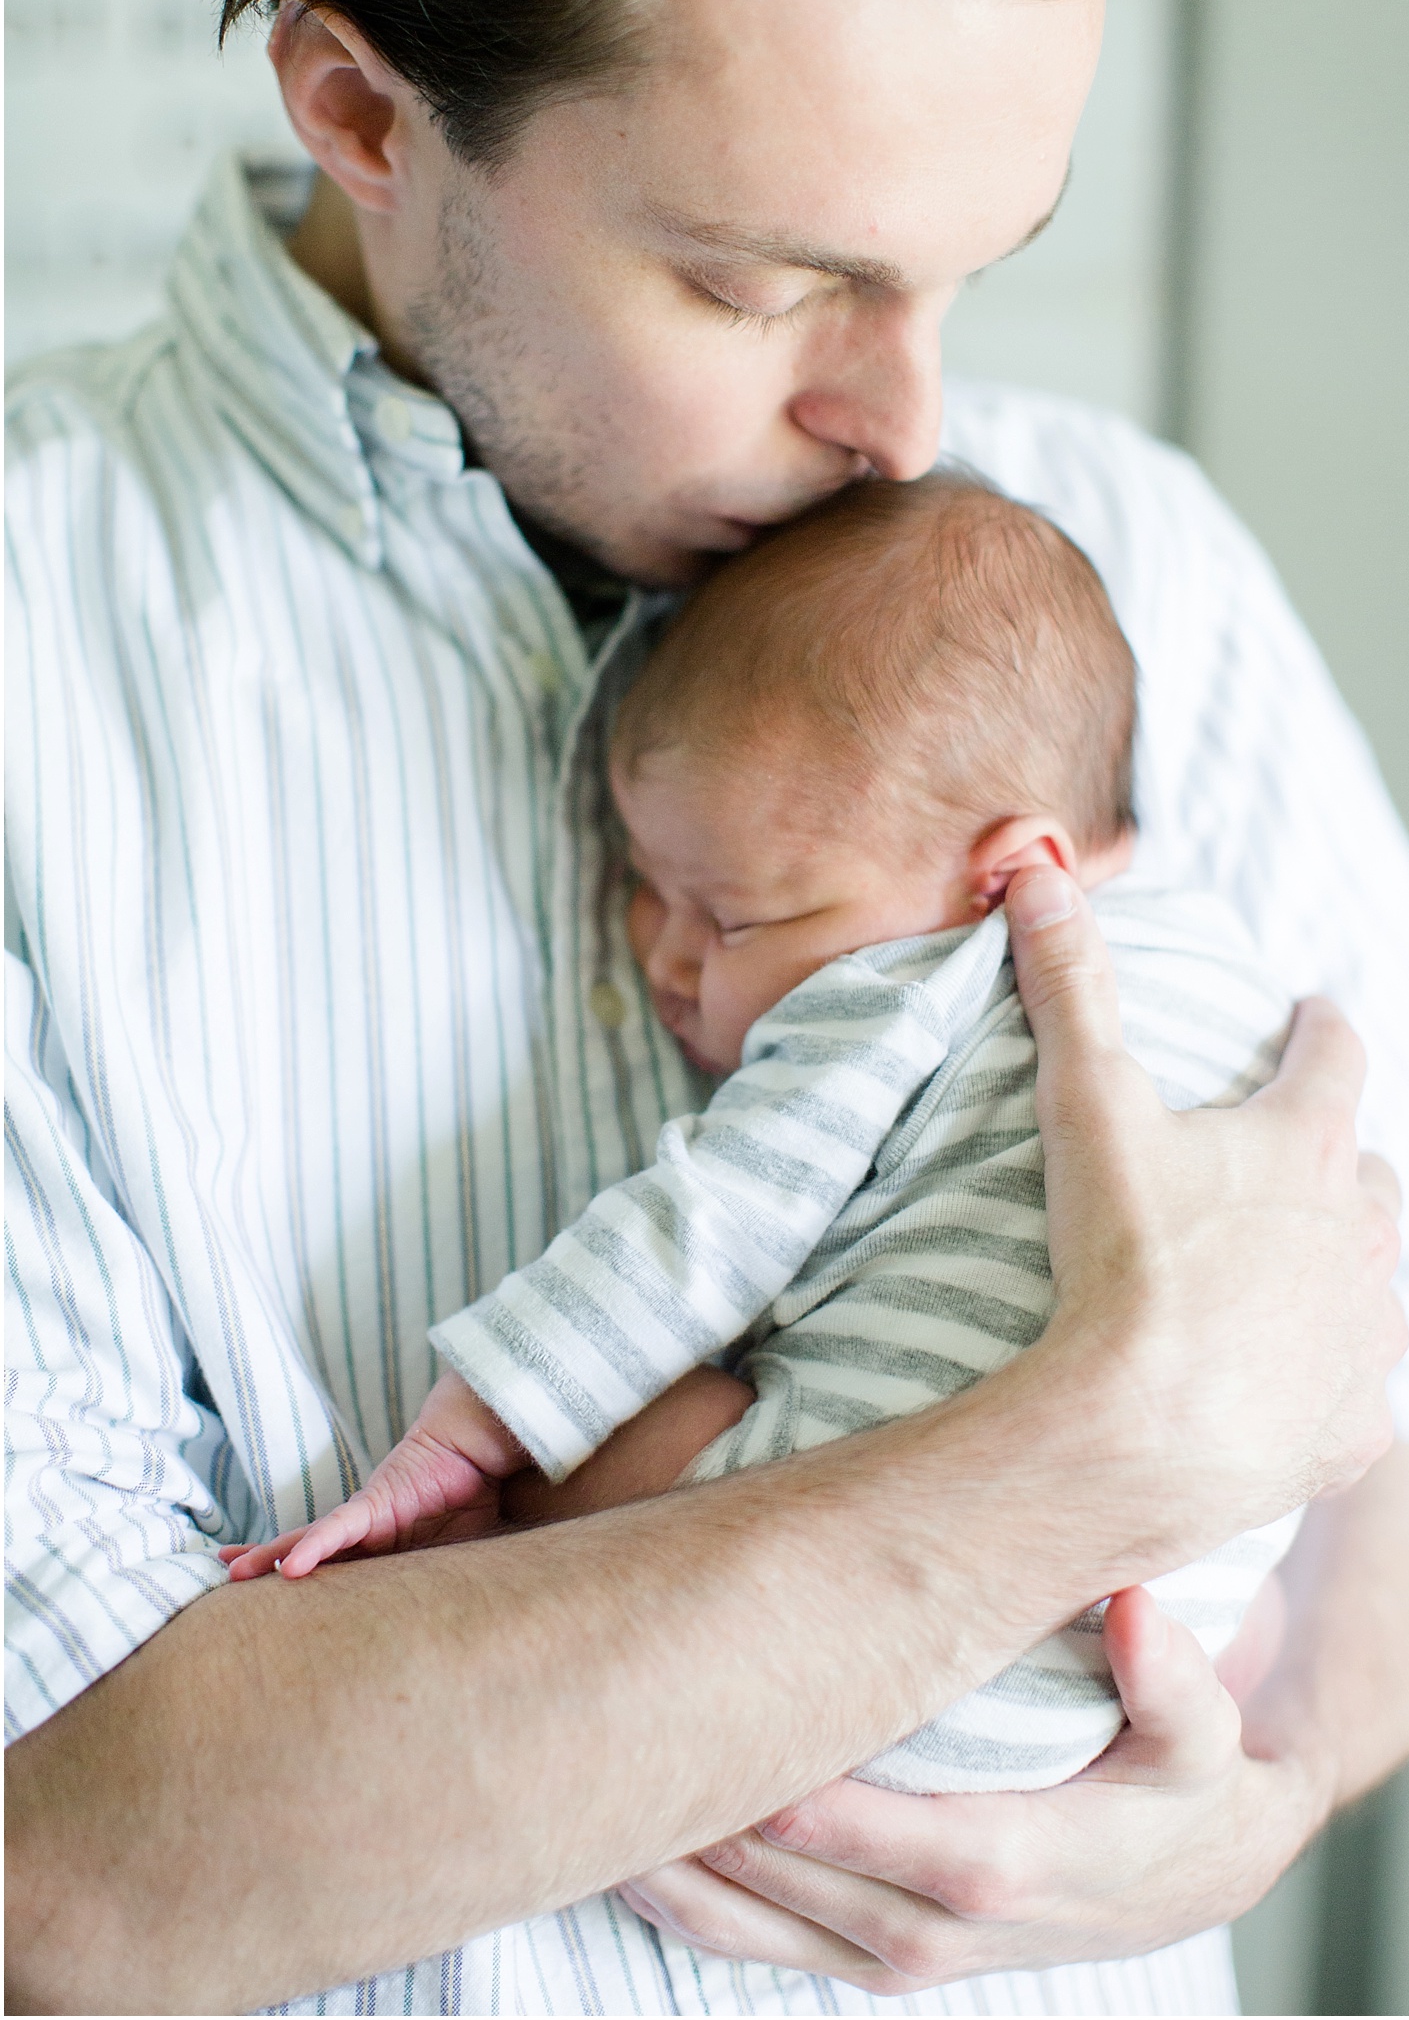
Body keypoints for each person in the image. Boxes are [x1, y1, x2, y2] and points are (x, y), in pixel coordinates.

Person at [3, 0, 1409, 2016]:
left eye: (971, 267)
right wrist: (1074, 1464)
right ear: (359, 105)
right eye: (761, 279)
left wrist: (1264, 1789)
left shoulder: (1137, 559)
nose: (912, 420)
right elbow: (62, 1859)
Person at [225, 472, 1304, 1806]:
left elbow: (712, 1218)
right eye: (644, 886)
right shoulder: (1238, 963)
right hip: (1139, 1666)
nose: (664, 952)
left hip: (861, 1657)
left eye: (728, 917)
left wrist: (480, 1431)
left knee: (641, 1435)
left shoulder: (914, 978)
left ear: (1009, 871)